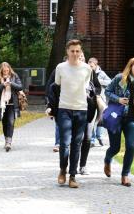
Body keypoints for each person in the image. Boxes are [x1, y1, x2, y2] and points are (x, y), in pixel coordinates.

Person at [46, 40, 92, 189]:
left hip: (81, 110)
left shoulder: (87, 69)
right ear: (67, 51)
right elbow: (56, 87)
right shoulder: (60, 67)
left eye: (77, 51)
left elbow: (86, 87)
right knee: (64, 143)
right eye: (72, 51)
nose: (75, 54)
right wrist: (51, 107)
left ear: (81, 52)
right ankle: (62, 170)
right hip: (64, 109)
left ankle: (72, 176)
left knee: (76, 144)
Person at [104, 57, 134, 187]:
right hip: (116, 117)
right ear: (131, 67)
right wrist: (118, 99)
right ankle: (107, 160)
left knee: (131, 146)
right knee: (115, 147)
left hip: (131, 119)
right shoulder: (120, 78)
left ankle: (125, 175)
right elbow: (107, 91)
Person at [78, 54, 102, 175]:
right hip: (74, 108)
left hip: (90, 108)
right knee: (75, 139)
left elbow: (98, 87)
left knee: (87, 138)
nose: (81, 59)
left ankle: (83, 165)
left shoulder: (91, 72)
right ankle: (69, 165)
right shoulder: (66, 70)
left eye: (82, 58)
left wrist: (93, 93)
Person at [0, 62, 23, 152]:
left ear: (9, 69)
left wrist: (11, 83)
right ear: (1, 70)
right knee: (5, 123)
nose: (6, 71)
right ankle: (6, 140)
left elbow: (20, 87)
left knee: (11, 122)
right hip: (2, 105)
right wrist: (2, 85)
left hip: (12, 104)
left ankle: (9, 142)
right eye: (4, 70)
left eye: (7, 70)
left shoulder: (14, 76)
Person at [88, 57, 111, 147]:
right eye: (89, 65)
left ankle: (99, 136)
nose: (90, 67)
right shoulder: (87, 72)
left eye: (92, 66)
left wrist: (98, 81)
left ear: (96, 65)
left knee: (100, 119)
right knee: (93, 119)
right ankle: (92, 139)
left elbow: (110, 82)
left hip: (101, 99)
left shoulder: (101, 73)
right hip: (91, 99)